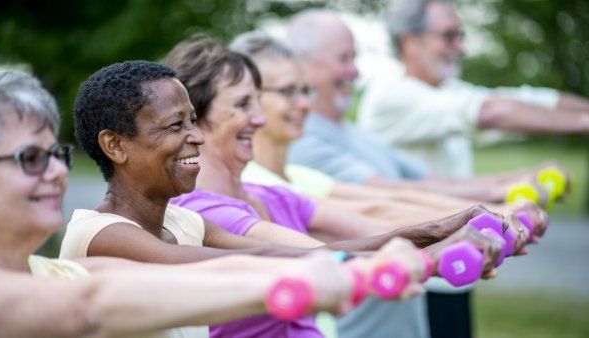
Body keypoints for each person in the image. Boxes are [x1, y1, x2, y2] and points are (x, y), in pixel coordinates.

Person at [62, 59, 476, 338]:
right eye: (175, 125)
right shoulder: (103, 234)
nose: (196, 136)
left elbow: (287, 251)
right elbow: (248, 263)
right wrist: (420, 260)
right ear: (116, 146)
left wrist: (428, 235)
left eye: (193, 120)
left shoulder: (183, 223)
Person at [162, 37, 514, 338]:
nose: (260, 117)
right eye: (242, 104)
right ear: (194, 118)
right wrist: (433, 259)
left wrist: (459, 225)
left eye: (258, 100)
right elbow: (325, 258)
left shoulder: (270, 195)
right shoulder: (203, 209)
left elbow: (373, 225)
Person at [0, 70, 355, 337]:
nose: (56, 170)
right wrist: (320, 273)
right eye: (31, 158)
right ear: (115, 146)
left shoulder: (68, 275)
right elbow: (91, 305)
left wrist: (381, 250)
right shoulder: (98, 242)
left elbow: (227, 271)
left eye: (56, 154)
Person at [231, 30, 548, 235]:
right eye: (288, 92)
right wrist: (486, 216)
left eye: (305, 91)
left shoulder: (297, 173)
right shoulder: (253, 183)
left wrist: (496, 208)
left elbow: (394, 196)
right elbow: (372, 211)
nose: (304, 104)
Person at [358, 0, 589, 178]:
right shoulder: (390, 93)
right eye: (449, 36)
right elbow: (489, 112)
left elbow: (525, 100)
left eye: (461, 36)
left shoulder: (446, 90)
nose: (460, 47)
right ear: (409, 42)